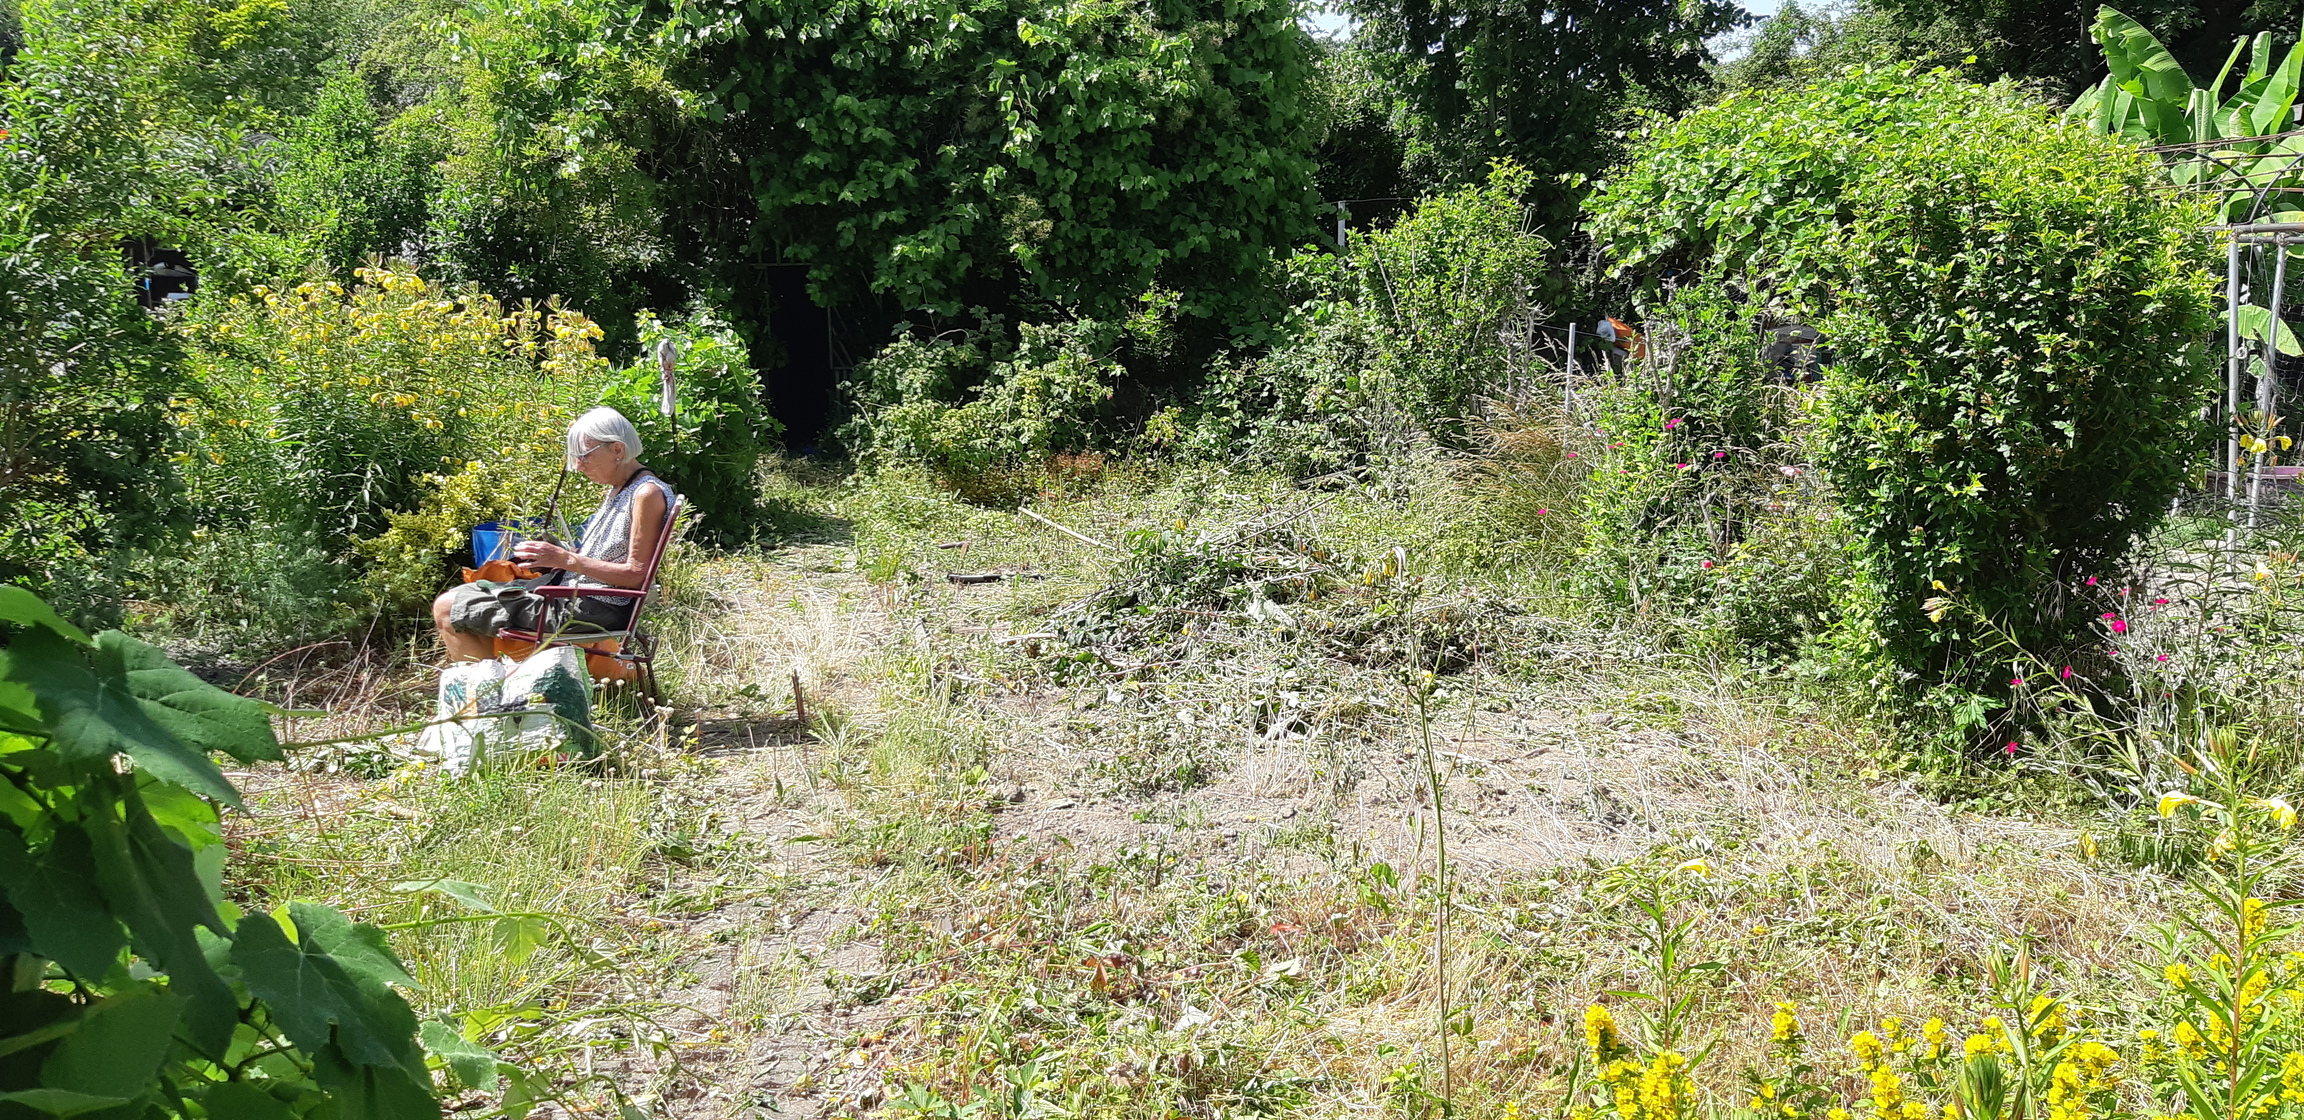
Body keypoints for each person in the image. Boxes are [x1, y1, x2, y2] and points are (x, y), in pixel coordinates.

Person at [432, 407, 677, 662]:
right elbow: (609, 558)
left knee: (447, 607)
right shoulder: (622, 488)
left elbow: (636, 575)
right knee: (468, 594)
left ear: (617, 449)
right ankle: (498, 680)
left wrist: (566, 559)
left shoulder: (646, 494)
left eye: (584, 456)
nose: (578, 465)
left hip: (592, 608)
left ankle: (489, 685)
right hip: (578, 599)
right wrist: (555, 555)